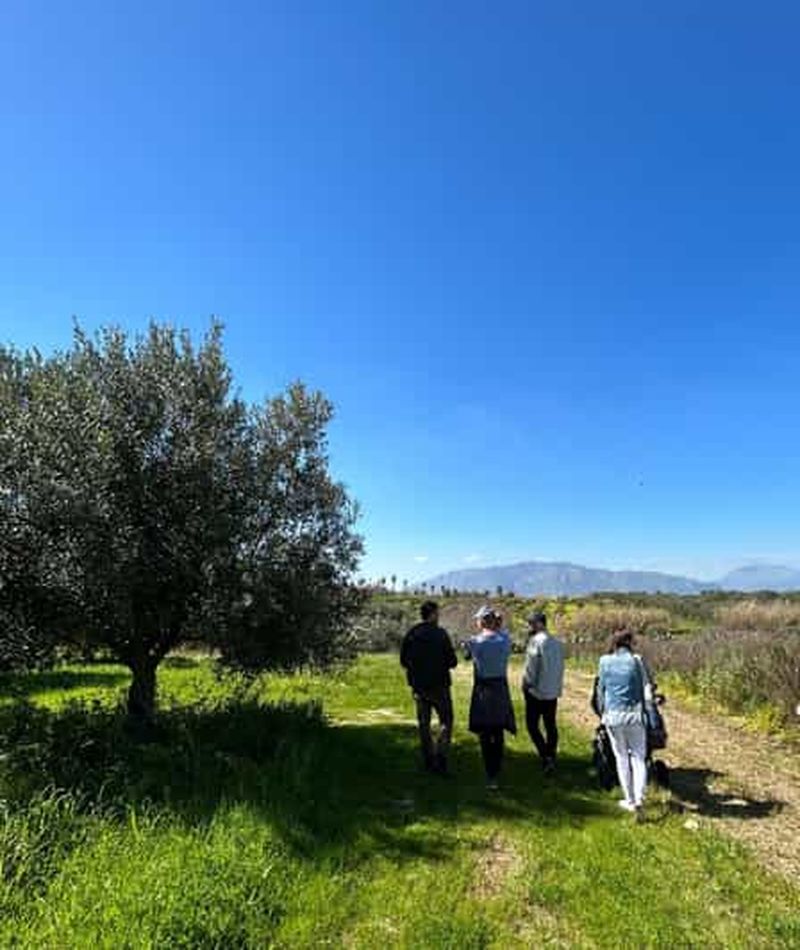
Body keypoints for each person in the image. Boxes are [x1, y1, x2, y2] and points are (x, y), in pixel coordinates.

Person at [595, 628, 652, 818]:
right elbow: (648, 686)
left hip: (613, 716)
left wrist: (602, 712)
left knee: (621, 758)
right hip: (635, 715)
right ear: (630, 643)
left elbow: (601, 690)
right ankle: (640, 799)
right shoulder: (637, 661)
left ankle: (629, 799)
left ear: (614, 643)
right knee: (638, 757)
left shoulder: (604, 661)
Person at [400, 600, 458, 774]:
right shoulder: (441, 634)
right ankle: (441, 758)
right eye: (437, 613)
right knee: (446, 721)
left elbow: (403, 661)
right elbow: (452, 662)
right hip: (440, 686)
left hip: (419, 687)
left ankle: (428, 761)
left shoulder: (412, 633)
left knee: (424, 724)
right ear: (432, 614)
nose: (439, 616)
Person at [464, 605, 516, 789]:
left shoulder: (474, 642)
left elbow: (466, 656)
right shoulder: (505, 640)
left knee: (485, 732)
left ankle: (490, 773)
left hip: (483, 688)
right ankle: (497, 768)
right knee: (498, 730)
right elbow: (504, 637)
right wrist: (499, 625)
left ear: (482, 621)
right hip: (500, 686)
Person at [521, 610, 565, 774]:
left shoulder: (535, 641)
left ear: (538, 624)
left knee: (532, 725)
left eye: (531, 623)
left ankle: (545, 755)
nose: (529, 627)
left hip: (536, 690)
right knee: (550, 725)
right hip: (552, 690)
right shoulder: (557, 643)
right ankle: (551, 755)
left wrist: (527, 683)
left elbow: (531, 666)